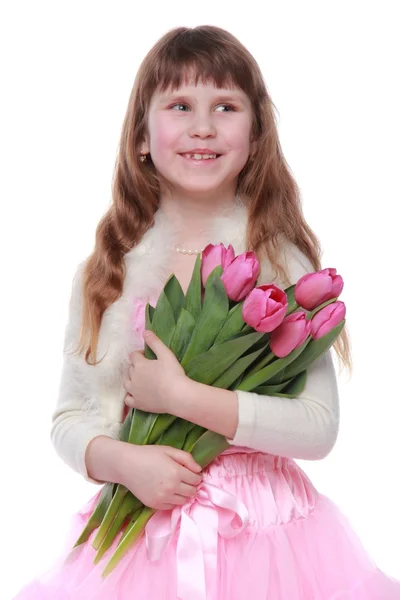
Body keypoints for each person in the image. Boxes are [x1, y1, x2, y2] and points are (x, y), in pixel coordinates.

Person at [14, 24, 400, 600]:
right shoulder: (108, 271)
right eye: (178, 104)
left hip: (269, 538)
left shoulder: (277, 262)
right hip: (145, 529)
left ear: (256, 133)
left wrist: (181, 398)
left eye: (225, 105)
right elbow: (70, 421)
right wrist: (125, 463)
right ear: (142, 135)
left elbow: (319, 429)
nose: (202, 125)